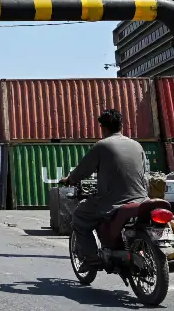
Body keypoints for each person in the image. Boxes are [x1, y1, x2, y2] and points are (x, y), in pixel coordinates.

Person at [59, 109, 148, 272]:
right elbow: (143, 174)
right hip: (141, 199)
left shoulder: (102, 146)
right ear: (121, 126)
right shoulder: (137, 145)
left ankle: (92, 258)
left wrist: (69, 180)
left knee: (80, 217)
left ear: (103, 128)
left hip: (113, 201)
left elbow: (82, 171)